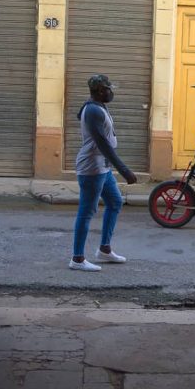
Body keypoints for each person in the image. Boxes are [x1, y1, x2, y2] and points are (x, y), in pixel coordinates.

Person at [69, 74, 137, 272]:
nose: (111, 92)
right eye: (108, 89)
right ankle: (77, 258)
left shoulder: (94, 106)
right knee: (87, 211)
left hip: (102, 166)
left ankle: (104, 249)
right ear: (100, 91)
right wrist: (124, 170)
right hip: (92, 167)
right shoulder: (92, 110)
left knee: (115, 202)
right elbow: (103, 144)